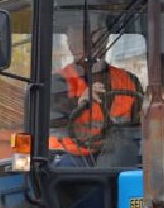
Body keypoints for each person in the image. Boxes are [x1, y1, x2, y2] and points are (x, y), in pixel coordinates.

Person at [51, 15, 142, 157]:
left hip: (120, 158)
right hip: (68, 162)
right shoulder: (56, 85)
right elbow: (54, 127)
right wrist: (79, 104)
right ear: (70, 43)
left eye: (96, 34)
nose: (92, 42)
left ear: (105, 38)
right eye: (83, 37)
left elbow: (141, 128)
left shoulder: (130, 81)